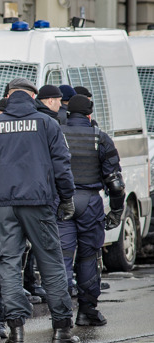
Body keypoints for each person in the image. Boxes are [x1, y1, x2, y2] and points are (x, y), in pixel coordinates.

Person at [0, 77, 81, 343]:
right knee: (51, 263)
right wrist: (66, 198)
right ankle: (62, 330)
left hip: (3, 205)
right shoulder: (47, 124)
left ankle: (16, 331)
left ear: (8, 95)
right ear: (33, 96)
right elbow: (62, 166)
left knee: (8, 265)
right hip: (39, 203)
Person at [59, 95, 124, 327]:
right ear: (89, 115)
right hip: (90, 203)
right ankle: (87, 311)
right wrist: (116, 210)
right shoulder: (100, 138)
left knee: (62, 258)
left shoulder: (57, 135)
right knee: (88, 257)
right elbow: (115, 181)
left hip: (61, 203)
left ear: (68, 113)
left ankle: (61, 315)